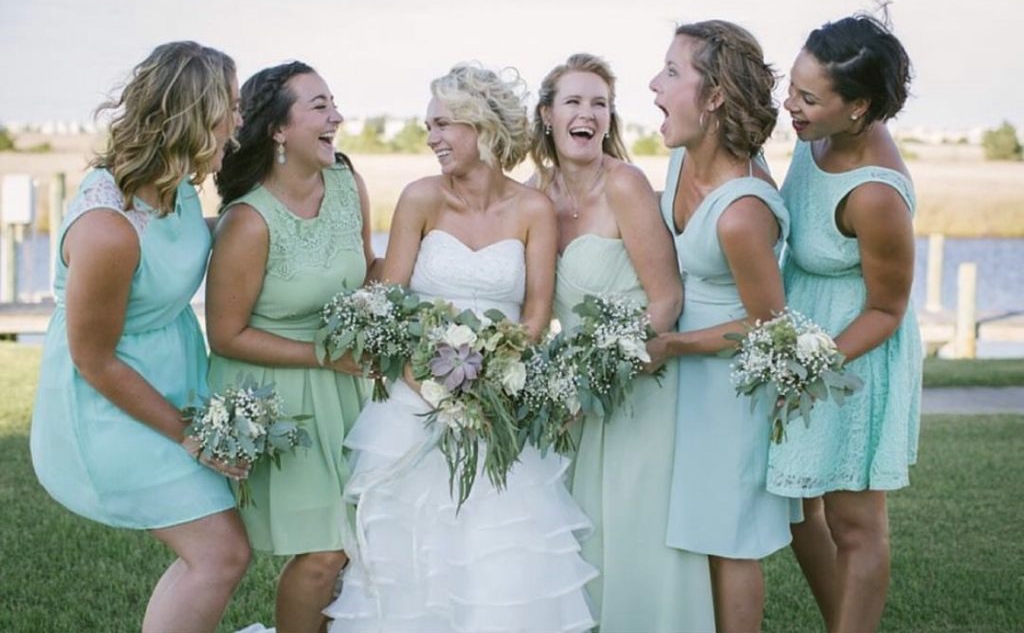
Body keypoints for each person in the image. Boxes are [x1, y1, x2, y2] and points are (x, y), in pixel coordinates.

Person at [323, 63, 596, 633]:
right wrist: (429, 383)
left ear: (484, 128)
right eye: (430, 125)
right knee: (411, 557)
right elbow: (389, 306)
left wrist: (489, 379)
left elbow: (535, 315)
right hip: (412, 400)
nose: (432, 138)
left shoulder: (532, 209)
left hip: (498, 403)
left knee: (499, 552)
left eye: (444, 123)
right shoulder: (420, 198)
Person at [29, 41, 250, 632]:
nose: (239, 119)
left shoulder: (174, 188)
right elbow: (94, 361)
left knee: (218, 553)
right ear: (194, 115)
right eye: (230, 105)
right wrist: (189, 436)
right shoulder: (108, 229)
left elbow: (189, 238)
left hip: (171, 372)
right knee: (220, 553)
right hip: (110, 401)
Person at [530, 52, 714, 632]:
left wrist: (606, 371)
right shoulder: (534, 196)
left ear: (610, 120)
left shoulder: (627, 186)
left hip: (637, 385)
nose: (588, 114)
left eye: (600, 104)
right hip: (570, 398)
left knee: (632, 531)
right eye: (574, 102)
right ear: (547, 115)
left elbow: (666, 300)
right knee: (580, 532)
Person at [206, 61, 377, 633]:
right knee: (326, 551)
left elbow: (369, 270)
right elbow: (225, 334)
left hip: (348, 381)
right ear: (279, 130)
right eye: (320, 106)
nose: (337, 117)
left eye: (334, 102)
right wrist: (324, 356)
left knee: (362, 540)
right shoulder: (249, 221)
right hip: (280, 392)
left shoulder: (349, 183)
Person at [767, 12, 920, 633]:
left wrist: (815, 360)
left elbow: (888, 309)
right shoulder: (817, 139)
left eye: (807, 97)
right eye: (793, 88)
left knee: (855, 522)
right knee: (799, 509)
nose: (790, 106)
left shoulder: (876, 194)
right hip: (804, 341)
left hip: (853, 356)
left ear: (857, 107)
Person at [646, 20, 792, 632]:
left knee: (729, 539)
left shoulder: (742, 212)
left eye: (673, 72)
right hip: (683, 380)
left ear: (714, 98)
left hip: (730, 388)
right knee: (691, 533)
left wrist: (670, 343)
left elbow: (770, 326)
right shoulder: (683, 160)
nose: (654, 84)